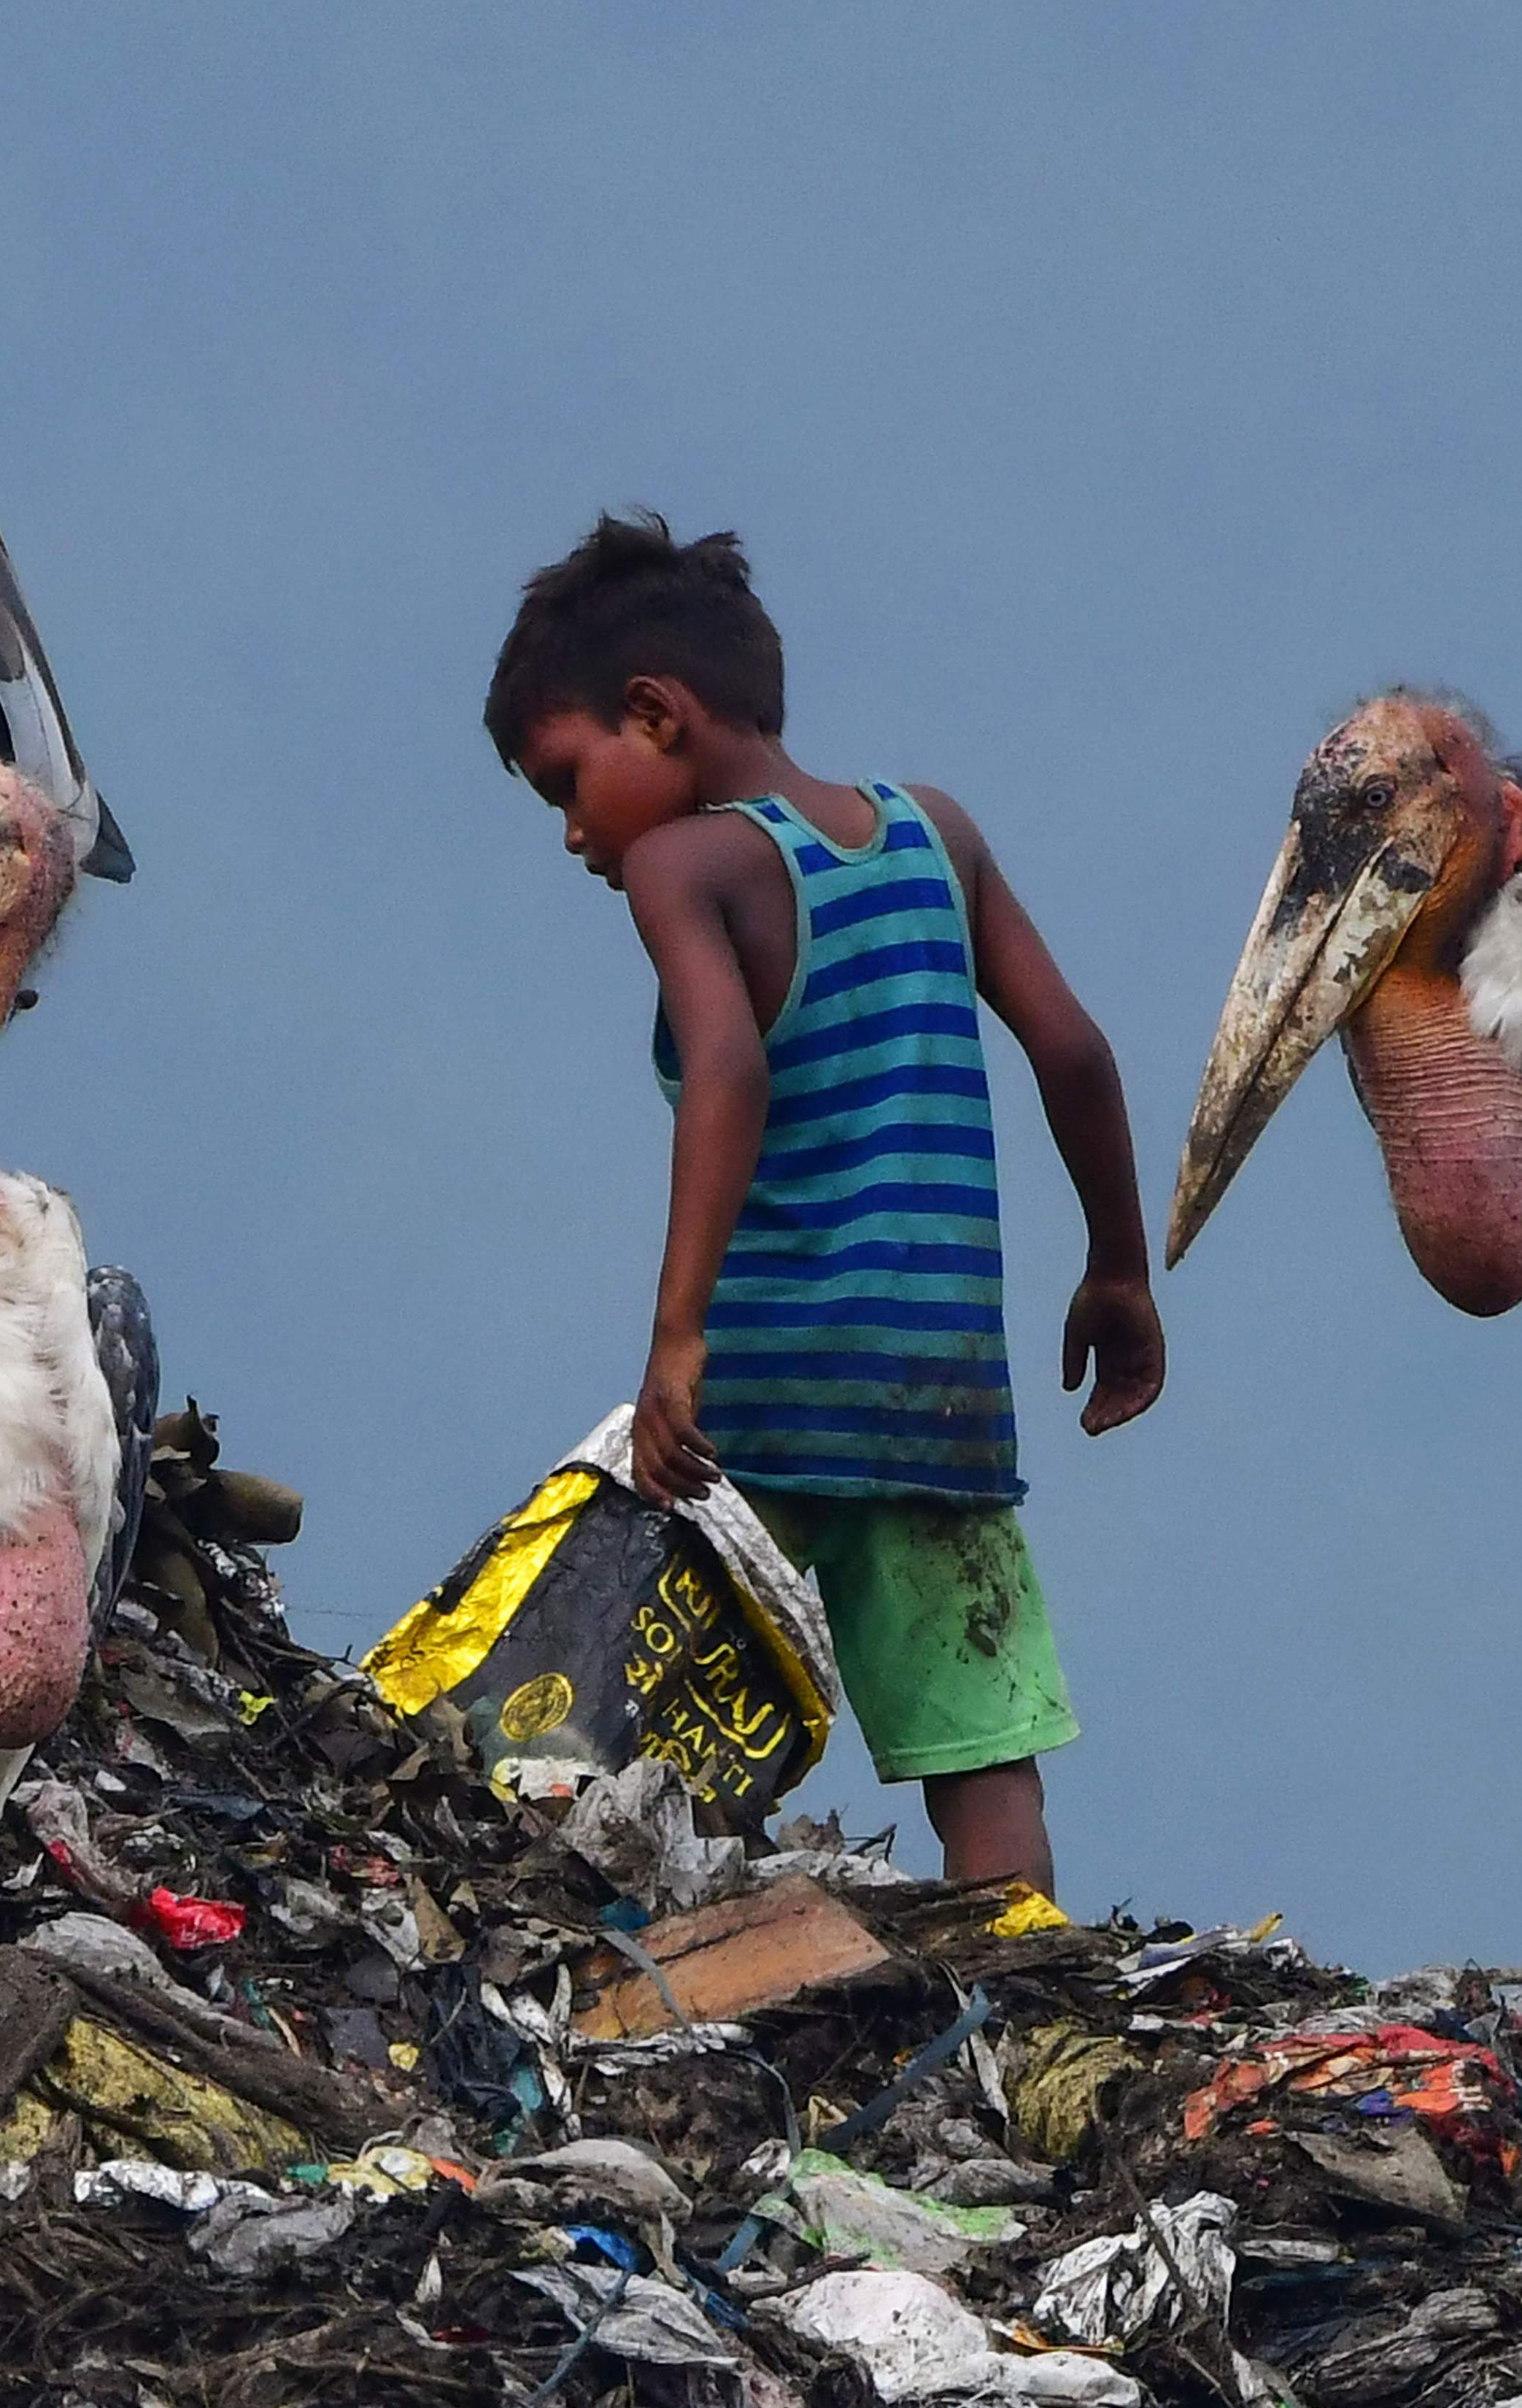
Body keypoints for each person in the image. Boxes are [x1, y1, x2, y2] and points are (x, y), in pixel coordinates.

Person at [484, 514, 1164, 1898]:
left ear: (654, 715)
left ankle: (681, 1974)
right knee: (983, 1757)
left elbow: (726, 1066)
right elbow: (1078, 1053)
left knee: (666, 1725)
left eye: (567, 781)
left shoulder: (690, 867)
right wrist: (1119, 1270)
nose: (570, 834)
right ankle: (1020, 1991)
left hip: (764, 1406)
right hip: (941, 1396)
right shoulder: (939, 836)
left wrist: (676, 1340)